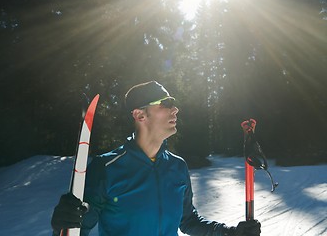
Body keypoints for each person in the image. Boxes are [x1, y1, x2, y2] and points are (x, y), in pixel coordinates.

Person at [51, 81, 261, 236]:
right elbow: (78, 228)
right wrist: (63, 224)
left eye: (174, 103)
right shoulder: (106, 168)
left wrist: (231, 233)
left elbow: (188, 220)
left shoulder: (178, 166)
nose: (175, 108)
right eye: (166, 103)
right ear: (140, 115)